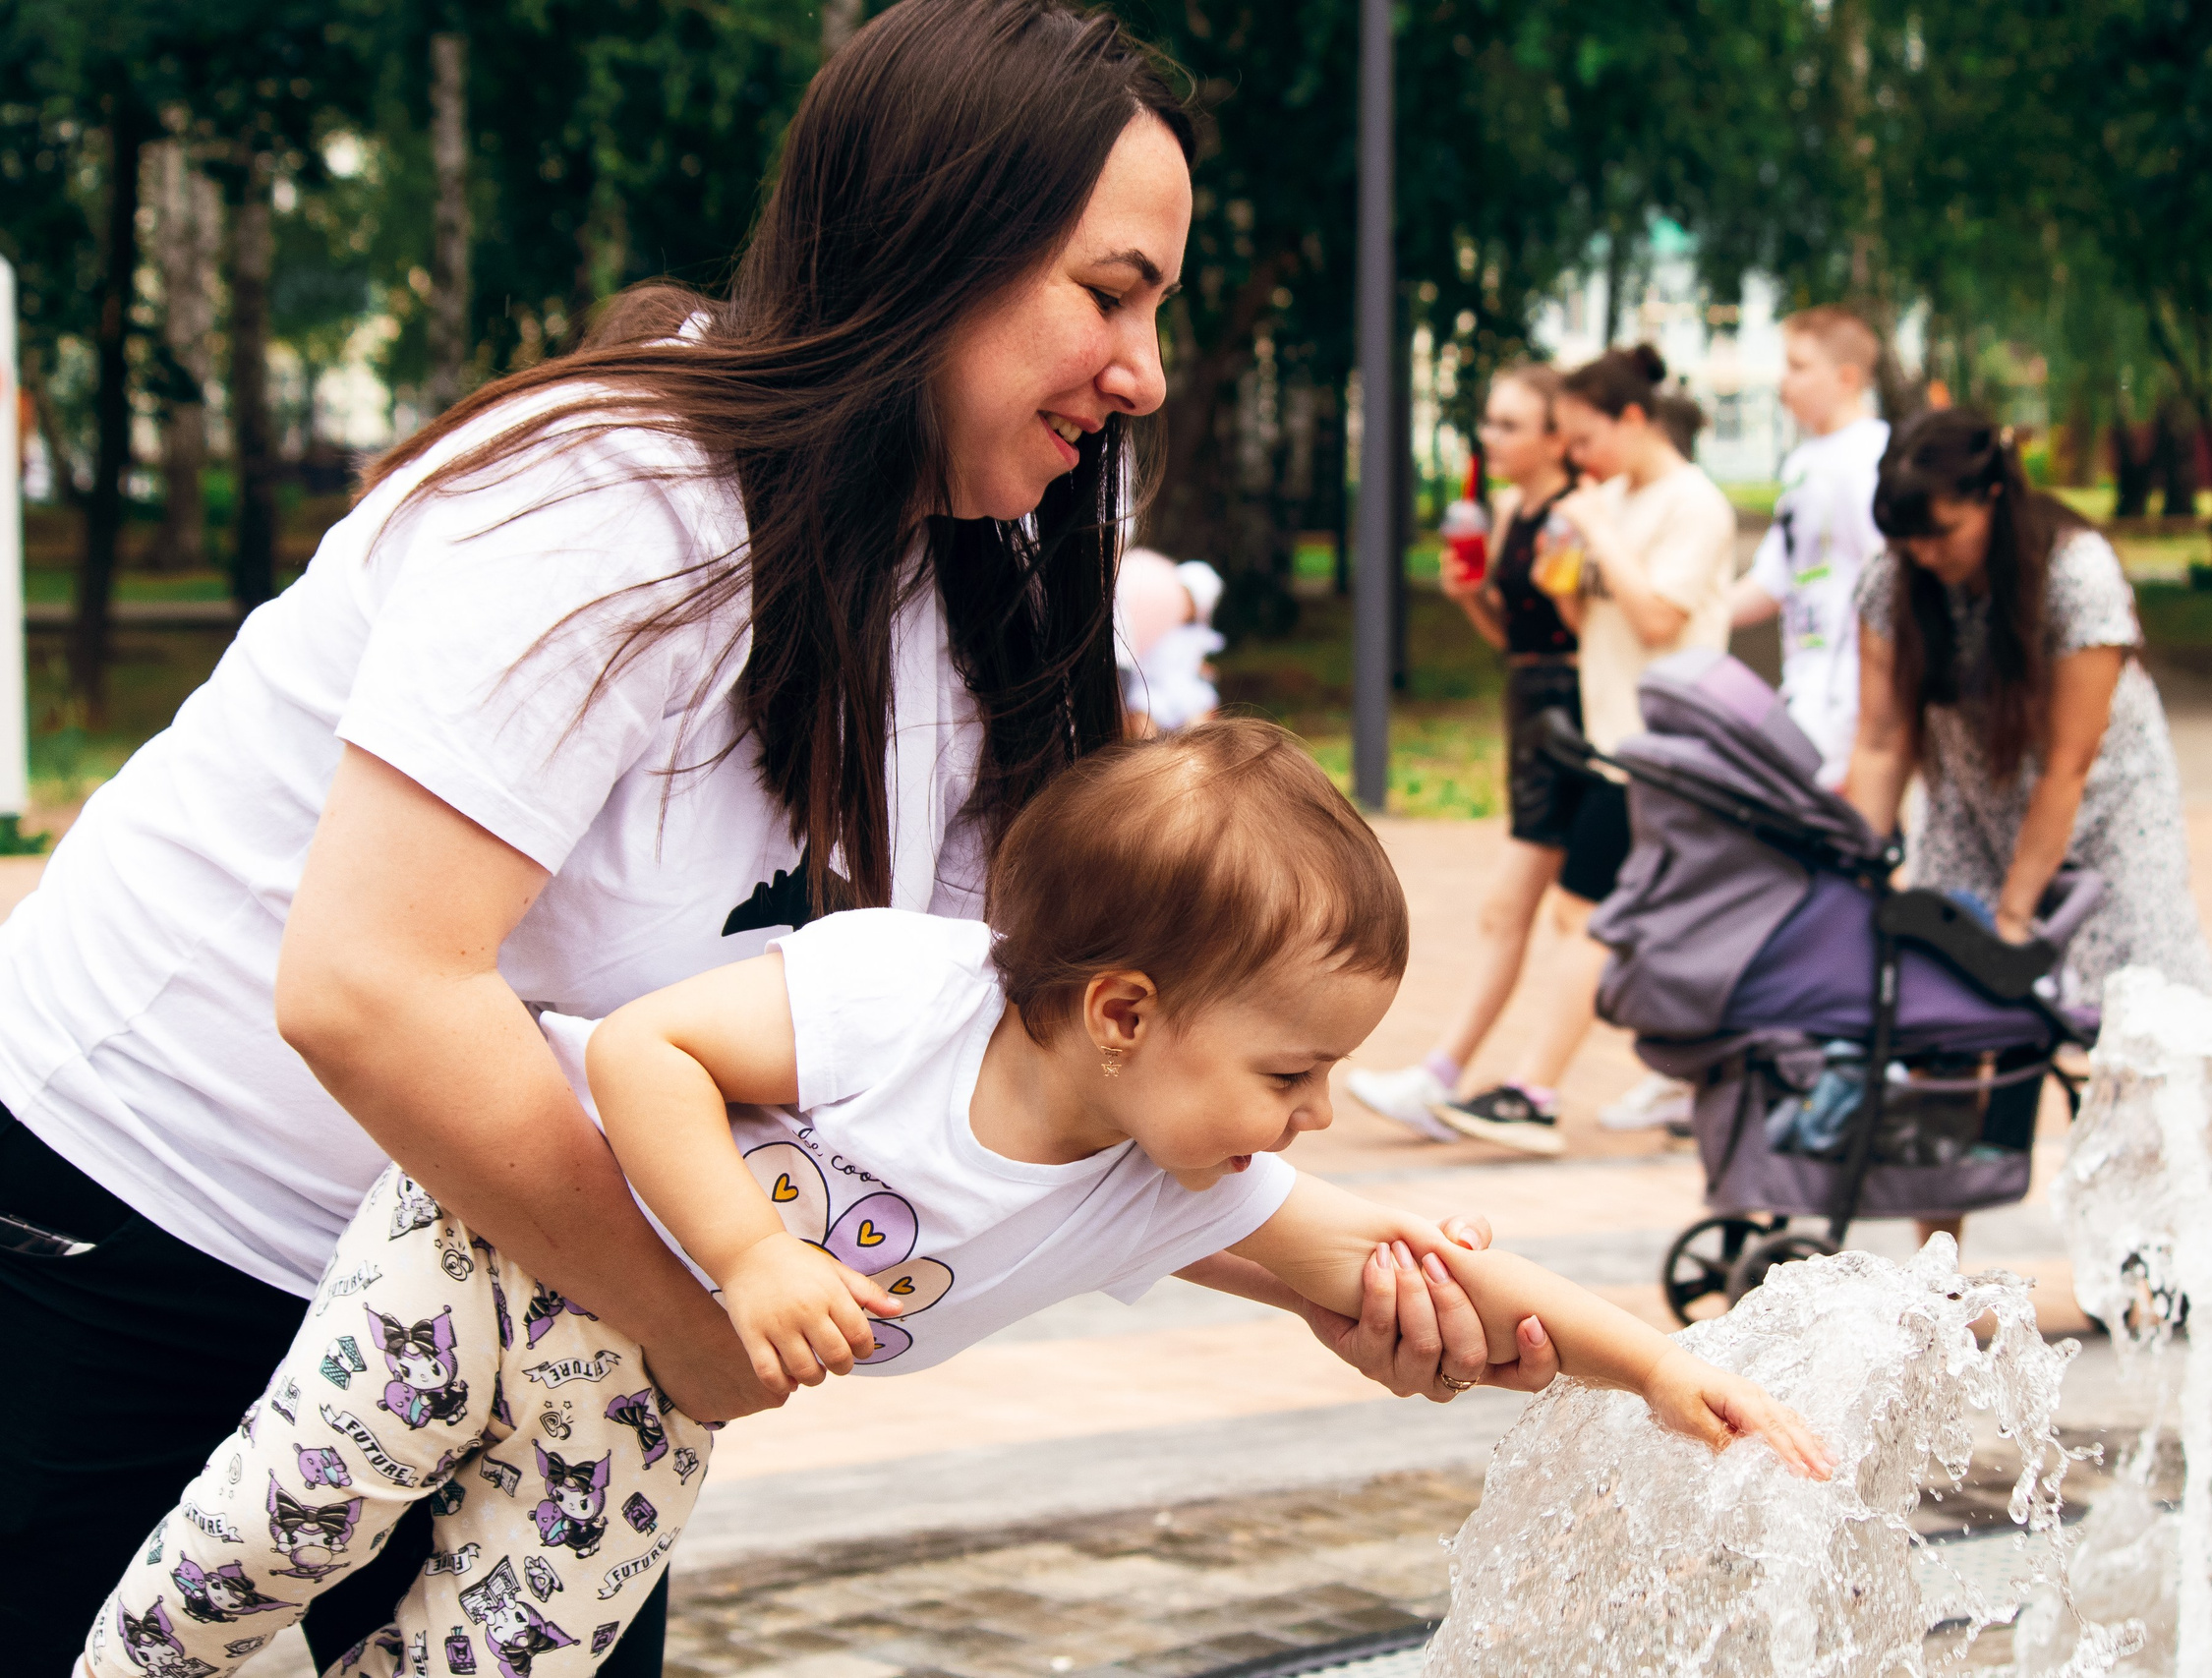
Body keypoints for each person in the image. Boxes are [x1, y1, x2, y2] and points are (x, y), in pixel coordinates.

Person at [0, 8, 1532, 1674]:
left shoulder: (985, 585)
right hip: (138, 1220)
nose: (1146, 371)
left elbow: (1031, 1074)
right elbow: (371, 988)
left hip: (540, 1285)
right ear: (931, 247)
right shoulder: (611, 503)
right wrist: (693, 1308)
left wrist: (1359, 1276)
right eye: (1109, 292)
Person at [79, 722, 1834, 1678]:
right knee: (285, 1522)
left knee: (504, 1656)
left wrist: (1656, 1361)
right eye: (1292, 1071)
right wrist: (749, 1253)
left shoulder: (1158, 1181)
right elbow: (643, 1054)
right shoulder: (900, 994)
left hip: (651, 1399)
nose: (1316, 1114)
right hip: (486, 1250)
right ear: (1125, 1011)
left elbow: (1385, 1250)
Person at [1840, 411, 2212, 1244]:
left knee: (2142, 1020)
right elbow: (1881, 740)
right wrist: (1855, 868)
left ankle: (2156, 1245)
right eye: (1905, 538)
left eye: (1941, 532)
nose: (1923, 554)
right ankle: (1940, 1264)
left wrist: (2013, 920)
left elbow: (2068, 764)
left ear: (1994, 496)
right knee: (1944, 1021)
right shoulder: (1894, 581)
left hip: (2108, 812)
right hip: (1972, 807)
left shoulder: (2076, 574)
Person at [1435, 347, 1736, 1156]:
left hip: (1663, 744)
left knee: (1588, 916)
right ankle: (1699, 1070)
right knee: (1628, 919)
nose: (1576, 457)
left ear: (1632, 419)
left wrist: (1598, 532)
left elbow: (1659, 619)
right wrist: (1561, 578)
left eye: (1584, 438)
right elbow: (1587, 623)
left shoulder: (1692, 505)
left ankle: (1536, 1091)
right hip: (1615, 742)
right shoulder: (1620, 498)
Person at [1343, 365, 1586, 1141]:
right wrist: (1470, 598)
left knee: (1541, 909)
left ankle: (1451, 1075)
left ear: (1557, 436)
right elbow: (1513, 638)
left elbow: (1589, 634)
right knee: (1542, 910)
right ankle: (1447, 1076)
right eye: (1490, 422)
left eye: (1511, 424)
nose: (1492, 437)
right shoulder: (1509, 510)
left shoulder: (1580, 512)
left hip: (1576, 713)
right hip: (1529, 700)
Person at [1729, 306, 1892, 787]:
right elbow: (1773, 579)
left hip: (1852, 693)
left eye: (1799, 367)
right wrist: (1690, 614)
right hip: (1806, 686)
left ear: (1846, 378)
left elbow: (1888, 582)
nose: (1785, 381)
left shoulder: (1872, 458)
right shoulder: (1803, 462)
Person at [1115, 547, 1225, 736]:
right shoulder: (1155, 622)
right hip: (1151, 686)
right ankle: (1145, 748)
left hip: (1184, 688)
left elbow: (1193, 660)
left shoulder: (1195, 633)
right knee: (1143, 713)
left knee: (1199, 713)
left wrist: (1202, 668)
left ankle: (1191, 746)